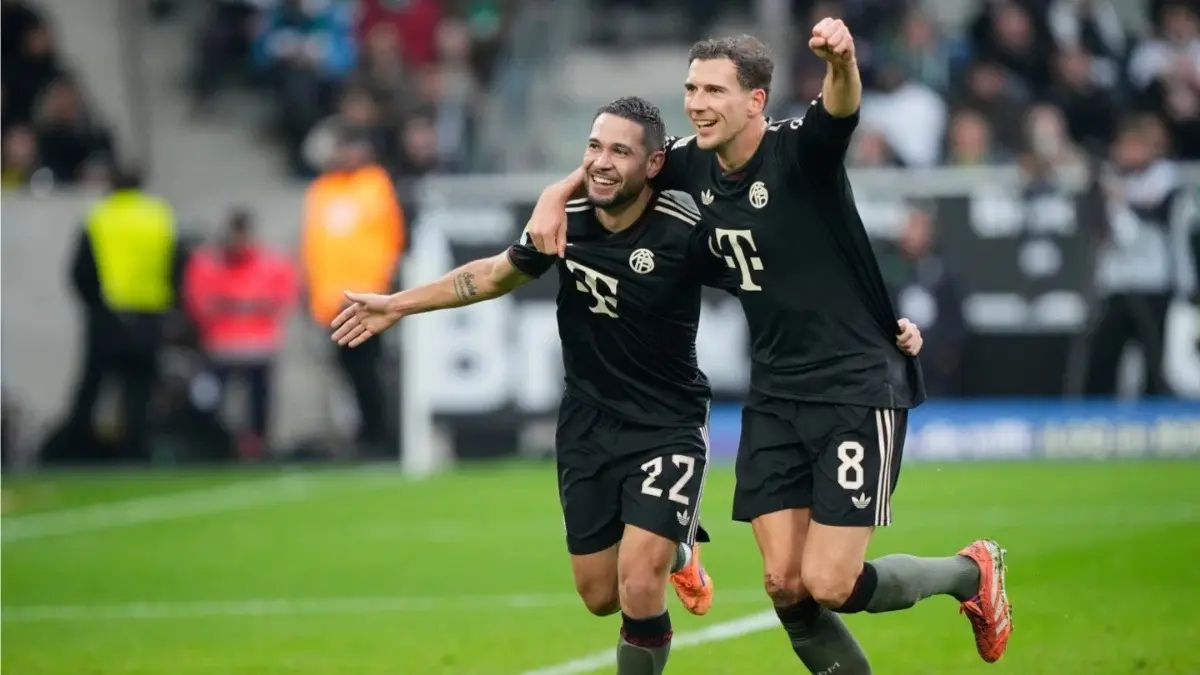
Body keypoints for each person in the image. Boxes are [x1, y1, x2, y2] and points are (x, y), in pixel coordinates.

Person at [525, 28, 1012, 672]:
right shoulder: (689, 159)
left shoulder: (799, 153)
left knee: (832, 582)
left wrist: (842, 61)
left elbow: (840, 108)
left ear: (755, 100)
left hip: (854, 384)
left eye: (714, 91)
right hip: (776, 392)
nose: (697, 103)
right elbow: (615, 159)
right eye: (692, 88)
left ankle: (969, 574)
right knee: (786, 585)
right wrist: (554, 196)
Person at [334, 97, 839, 675]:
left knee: (638, 583)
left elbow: (773, 281)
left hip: (667, 427)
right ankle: (676, 544)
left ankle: (663, 546)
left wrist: (871, 326)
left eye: (620, 151)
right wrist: (397, 305)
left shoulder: (684, 233)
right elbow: (495, 274)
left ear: (653, 166)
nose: (601, 162)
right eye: (594, 148)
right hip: (586, 425)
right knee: (600, 596)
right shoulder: (563, 222)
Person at [64, 167, 181, 462]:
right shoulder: (159, 216)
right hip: (149, 314)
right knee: (139, 388)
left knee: (93, 384)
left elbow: (81, 270)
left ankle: (78, 450)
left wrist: (94, 304)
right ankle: (136, 450)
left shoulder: (100, 215)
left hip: (108, 314)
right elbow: (177, 265)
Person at [302, 130, 404, 454]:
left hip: (367, 297)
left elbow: (388, 239)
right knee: (348, 369)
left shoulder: (374, 184)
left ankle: (379, 432)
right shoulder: (322, 190)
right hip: (330, 302)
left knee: (369, 368)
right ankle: (365, 431)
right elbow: (315, 246)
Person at [184, 209, 298, 459]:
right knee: (209, 398)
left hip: (257, 346)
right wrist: (248, 305)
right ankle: (212, 443)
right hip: (219, 346)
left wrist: (232, 305)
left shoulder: (271, 264)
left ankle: (256, 443)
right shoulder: (208, 264)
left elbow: (280, 301)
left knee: (259, 400)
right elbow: (200, 303)